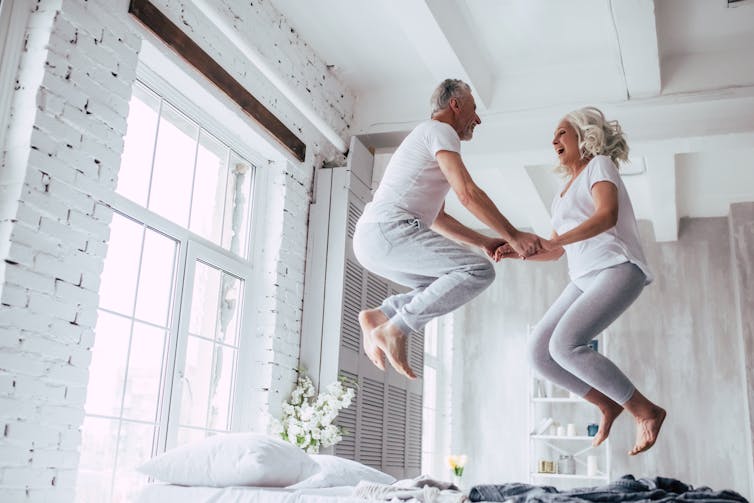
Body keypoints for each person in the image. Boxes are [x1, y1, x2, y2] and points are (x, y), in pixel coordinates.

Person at [496, 106, 666, 455]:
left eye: (561, 132)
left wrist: (554, 241)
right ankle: (607, 403)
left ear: (583, 135)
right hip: (583, 277)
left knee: (564, 345)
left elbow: (607, 215)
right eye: (553, 136)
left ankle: (645, 410)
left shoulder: (599, 165)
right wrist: (517, 251)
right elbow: (555, 251)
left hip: (618, 267)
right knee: (538, 353)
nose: (553, 140)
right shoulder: (560, 195)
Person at [352, 78, 541, 380]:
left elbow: (438, 217)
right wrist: (513, 236)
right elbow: (467, 193)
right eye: (474, 109)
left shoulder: (427, 138)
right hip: (388, 229)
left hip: (373, 238)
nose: (477, 119)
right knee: (478, 272)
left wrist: (482, 241)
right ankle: (396, 329)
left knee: (444, 285)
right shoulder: (440, 131)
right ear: (455, 105)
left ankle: (383, 315)